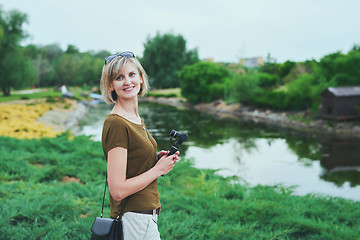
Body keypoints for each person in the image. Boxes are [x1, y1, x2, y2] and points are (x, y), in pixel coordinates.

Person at [100, 51, 179, 239]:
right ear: (110, 85)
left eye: (132, 74)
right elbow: (118, 190)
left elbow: (132, 165)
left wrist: (154, 159)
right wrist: (158, 170)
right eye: (119, 77)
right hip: (135, 219)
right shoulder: (117, 123)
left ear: (141, 78)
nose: (127, 81)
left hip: (144, 217)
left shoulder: (134, 118)